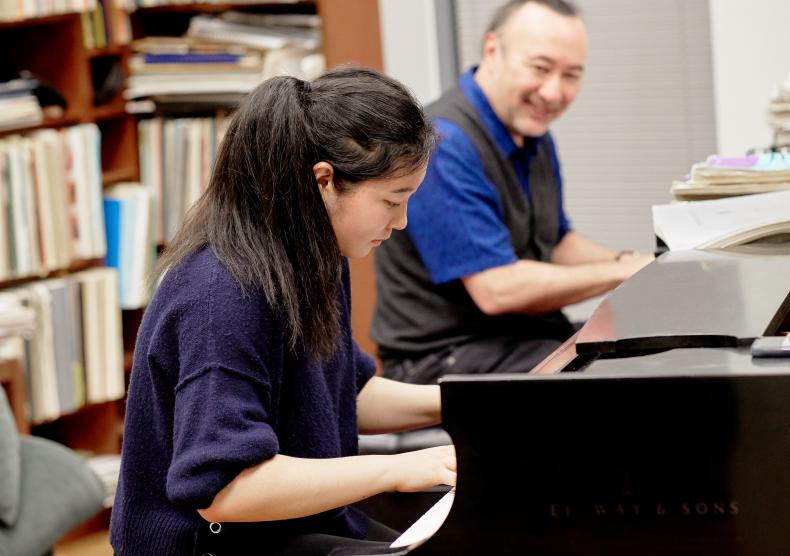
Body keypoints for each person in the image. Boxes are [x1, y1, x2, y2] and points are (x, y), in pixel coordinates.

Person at [109, 67, 456, 556]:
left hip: (291, 528)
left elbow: (342, 395)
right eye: (392, 200)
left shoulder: (315, 255)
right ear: (325, 181)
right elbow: (224, 488)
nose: (401, 222)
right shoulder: (222, 295)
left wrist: (474, 404)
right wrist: (399, 469)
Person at [372, 0, 654, 384]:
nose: (553, 92)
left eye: (571, 75)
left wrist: (643, 264)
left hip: (520, 337)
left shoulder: (532, 134)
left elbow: (556, 240)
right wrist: (624, 272)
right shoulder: (444, 142)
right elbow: (497, 289)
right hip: (444, 356)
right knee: (632, 384)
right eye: (540, 68)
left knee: (648, 347)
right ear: (492, 51)